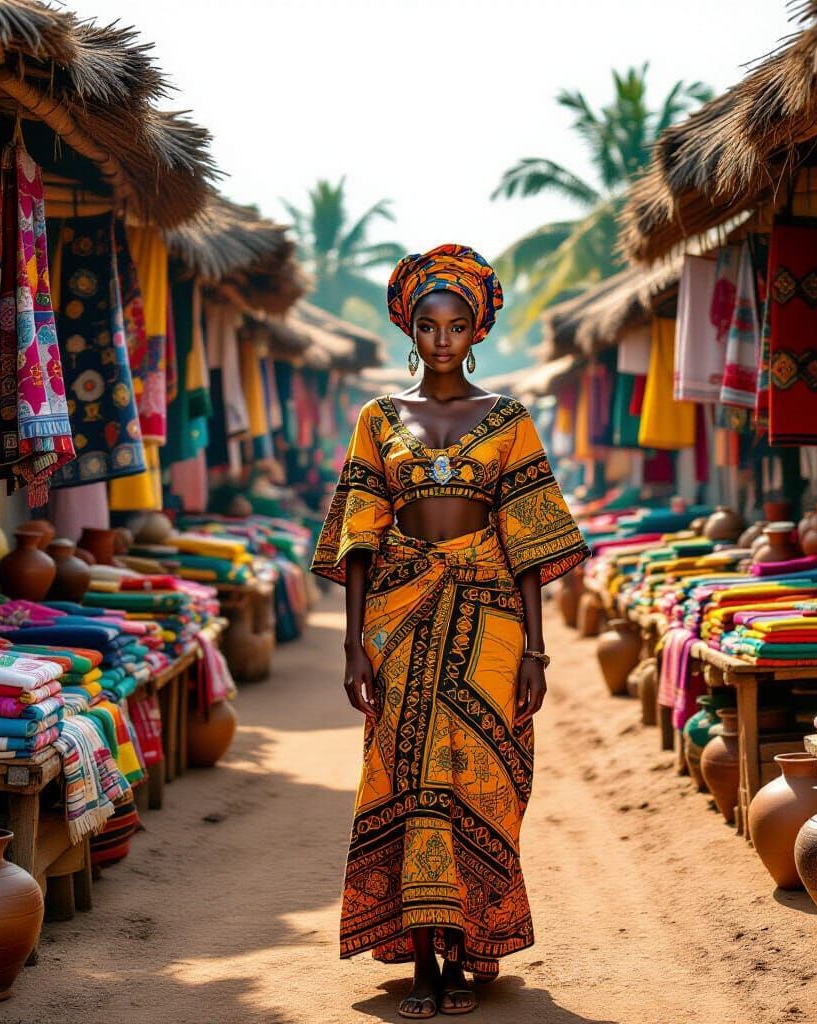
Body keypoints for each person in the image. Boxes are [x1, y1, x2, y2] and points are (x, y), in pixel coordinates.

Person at [311, 243, 589, 1018]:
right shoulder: (378, 419)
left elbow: (530, 544)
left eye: (457, 325)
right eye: (429, 325)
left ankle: (473, 946)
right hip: (399, 619)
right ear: (410, 325)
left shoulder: (507, 420)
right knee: (408, 779)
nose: (442, 339)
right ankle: (427, 963)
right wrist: (352, 642)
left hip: (492, 617)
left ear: (477, 331)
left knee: (484, 781)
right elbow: (358, 538)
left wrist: (536, 651)